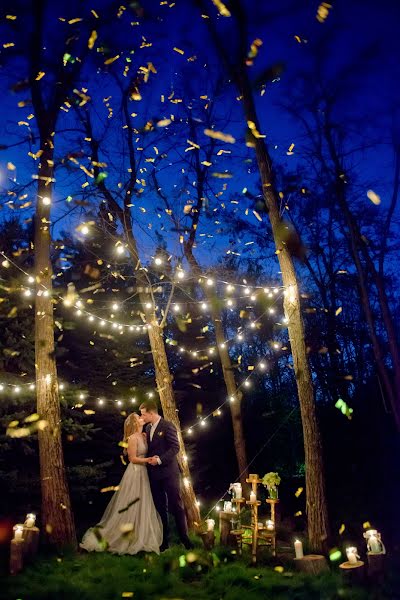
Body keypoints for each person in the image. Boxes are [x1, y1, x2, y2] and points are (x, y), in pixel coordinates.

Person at [80, 413, 163, 555]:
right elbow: (132, 458)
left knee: (143, 502)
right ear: (134, 423)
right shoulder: (132, 438)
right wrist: (148, 459)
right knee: (132, 502)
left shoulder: (143, 435)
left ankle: (141, 534)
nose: (141, 418)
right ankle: (122, 537)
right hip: (136, 472)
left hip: (144, 473)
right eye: (138, 417)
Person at [140, 399, 193, 551]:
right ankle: (164, 541)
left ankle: (185, 539)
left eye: (143, 414)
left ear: (151, 413)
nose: (142, 417)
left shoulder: (168, 426)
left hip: (169, 473)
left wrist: (160, 460)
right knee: (160, 507)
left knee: (176, 505)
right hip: (154, 475)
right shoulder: (149, 428)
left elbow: (175, 447)